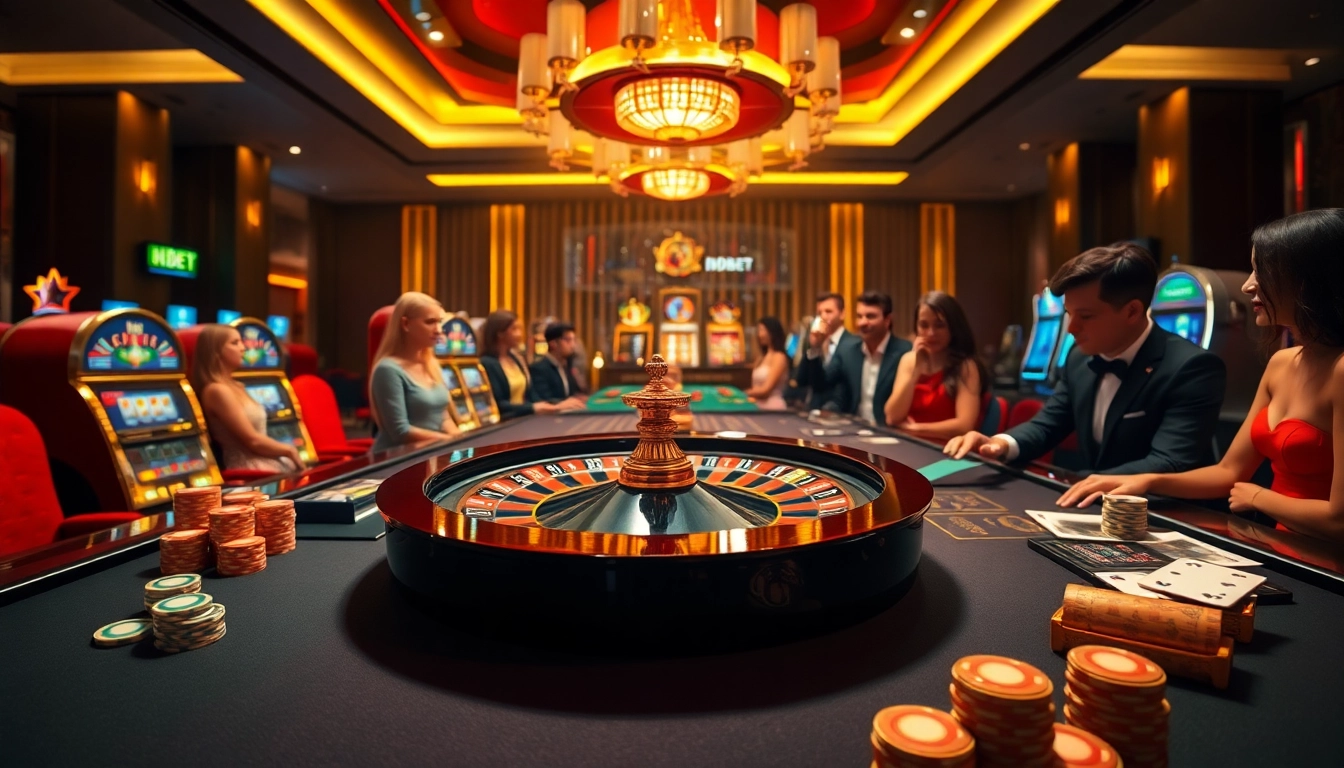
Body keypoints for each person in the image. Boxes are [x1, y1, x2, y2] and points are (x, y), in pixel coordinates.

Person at [1057, 209, 1344, 542]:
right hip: (1278, 544)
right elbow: (1228, 473)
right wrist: (1148, 481)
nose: (1250, 285)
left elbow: (1338, 520)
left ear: (1310, 281)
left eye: (1262, 271)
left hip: (1328, 564)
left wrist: (1257, 497)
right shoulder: (1281, 362)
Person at [945, 242, 1226, 474]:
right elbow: (1048, 425)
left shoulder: (1191, 368)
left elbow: (1169, 461)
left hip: (1172, 518)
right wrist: (1001, 443)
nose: (1071, 328)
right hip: (1097, 510)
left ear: (1132, 312)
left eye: (1086, 316)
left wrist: (1084, 481)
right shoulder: (1079, 358)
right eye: (1069, 314)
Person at [192, 324, 303, 473]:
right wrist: (289, 450)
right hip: (249, 470)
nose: (243, 348)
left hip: (267, 463)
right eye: (235, 343)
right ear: (216, 352)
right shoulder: (217, 390)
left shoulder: (237, 386)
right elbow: (253, 441)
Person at [797, 290, 911, 425]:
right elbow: (821, 386)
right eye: (859, 316)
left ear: (887, 320)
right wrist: (815, 348)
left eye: (870, 316)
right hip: (854, 432)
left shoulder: (905, 352)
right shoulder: (848, 350)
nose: (862, 322)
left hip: (890, 433)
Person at [884, 291, 987, 441]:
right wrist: (915, 373)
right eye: (923, 325)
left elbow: (964, 425)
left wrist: (916, 429)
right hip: (909, 445)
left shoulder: (966, 366)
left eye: (939, 325)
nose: (931, 333)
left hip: (948, 450)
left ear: (953, 327)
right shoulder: (908, 360)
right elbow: (892, 417)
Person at [368, 292, 461, 453]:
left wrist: (462, 441)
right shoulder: (388, 369)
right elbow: (401, 432)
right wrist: (449, 441)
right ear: (405, 324)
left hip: (430, 453)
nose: (439, 330)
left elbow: (443, 416)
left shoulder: (431, 364)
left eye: (439, 322)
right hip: (395, 462)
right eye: (430, 322)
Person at [481, 310, 583, 419]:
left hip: (523, 420)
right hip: (505, 423)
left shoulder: (515, 359)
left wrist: (557, 405)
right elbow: (498, 404)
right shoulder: (487, 363)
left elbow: (531, 395)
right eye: (514, 329)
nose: (520, 334)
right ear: (499, 333)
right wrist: (534, 408)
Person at [798, 292, 859, 409]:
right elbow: (801, 379)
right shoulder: (817, 342)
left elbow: (831, 383)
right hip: (813, 409)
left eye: (828, 311)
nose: (823, 316)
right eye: (819, 313)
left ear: (842, 314)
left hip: (840, 412)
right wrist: (814, 347)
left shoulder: (853, 344)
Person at [530, 322, 587, 403]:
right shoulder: (539, 368)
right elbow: (543, 400)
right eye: (568, 340)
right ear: (553, 344)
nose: (573, 345)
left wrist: (578, 398)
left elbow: (571, 394)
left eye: (574, 340)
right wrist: (568, 402)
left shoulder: (566, 365)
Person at [745, 317, 790, 410]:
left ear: (773, 332)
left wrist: (740, 394)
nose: (759, 334)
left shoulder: (779, 357)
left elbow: (766, 390)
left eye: (762, 330)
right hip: (756, 406)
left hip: (773, 408)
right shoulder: (761, 358)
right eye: (758, 331)